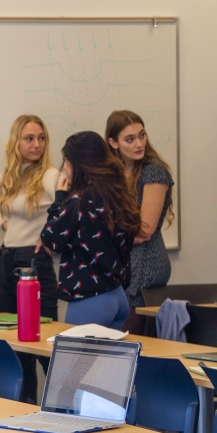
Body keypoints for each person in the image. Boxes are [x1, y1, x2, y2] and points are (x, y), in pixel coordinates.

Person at [0, 115, 60, 403]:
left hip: (35, 262)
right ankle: (24, 410)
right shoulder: (10, 177)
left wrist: (49, 236)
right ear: (16, 142)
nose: (36, 144)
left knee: (44, 346)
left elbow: (68, 207)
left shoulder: (51, 176)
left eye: (41, 138)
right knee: (14, 342)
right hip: (8, 258)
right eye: (29, 138)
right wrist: (4, 224)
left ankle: (62, 410)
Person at [40, 132, 140, 330]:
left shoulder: (79, 200)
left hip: (91, 300)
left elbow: (50, 238)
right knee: (108, 362)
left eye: (66, 162)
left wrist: (60, 197)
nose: (64, 169)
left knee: (75, 361)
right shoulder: (116, 194)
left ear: (77, 165)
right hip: (117, 296)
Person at [105, 110, 174, 310]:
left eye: (141, 135)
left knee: (133, 336)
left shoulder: (154, 171)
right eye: (130, 139)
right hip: (119, 264)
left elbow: (144, 230)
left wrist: (105, 236)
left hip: (145, 264)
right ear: (113, 143)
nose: (139, 144)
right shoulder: (112, 173)